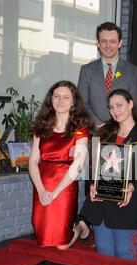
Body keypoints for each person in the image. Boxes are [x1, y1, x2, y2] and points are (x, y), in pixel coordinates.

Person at [78, 89, 137, 261]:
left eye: (119, 105)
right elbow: (91, 166)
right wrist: (91, 186)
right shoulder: (105, 133)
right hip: (101, 202)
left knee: (125, 255)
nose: (115, 111)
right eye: (111, 107)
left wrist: (133, 186)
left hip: (127, 201)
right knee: (106, 256)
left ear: (131, 104)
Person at [28, 80, 93, 249]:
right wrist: (42, 190)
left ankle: (80, 227)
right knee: (42, 242)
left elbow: (78, 165)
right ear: (51, 99)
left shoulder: (80, 129)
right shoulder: (41, 127)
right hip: (42, 185)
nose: (60, 100)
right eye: (56, 96)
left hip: (64, 186)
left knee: (62, 245)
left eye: (66, 97)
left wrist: (55, 192)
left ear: (73, 101)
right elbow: (33, 161)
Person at [78, 22, 137, 129]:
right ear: (98, 43)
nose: (108, 46)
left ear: (120, 43)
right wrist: (98, 123)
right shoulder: (87, 70)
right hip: (94, 131)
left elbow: (134, 103)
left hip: (122, 131)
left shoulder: (132, 71)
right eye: (104, 41)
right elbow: (81, 102)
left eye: (112, 41)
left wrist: (117, 125)